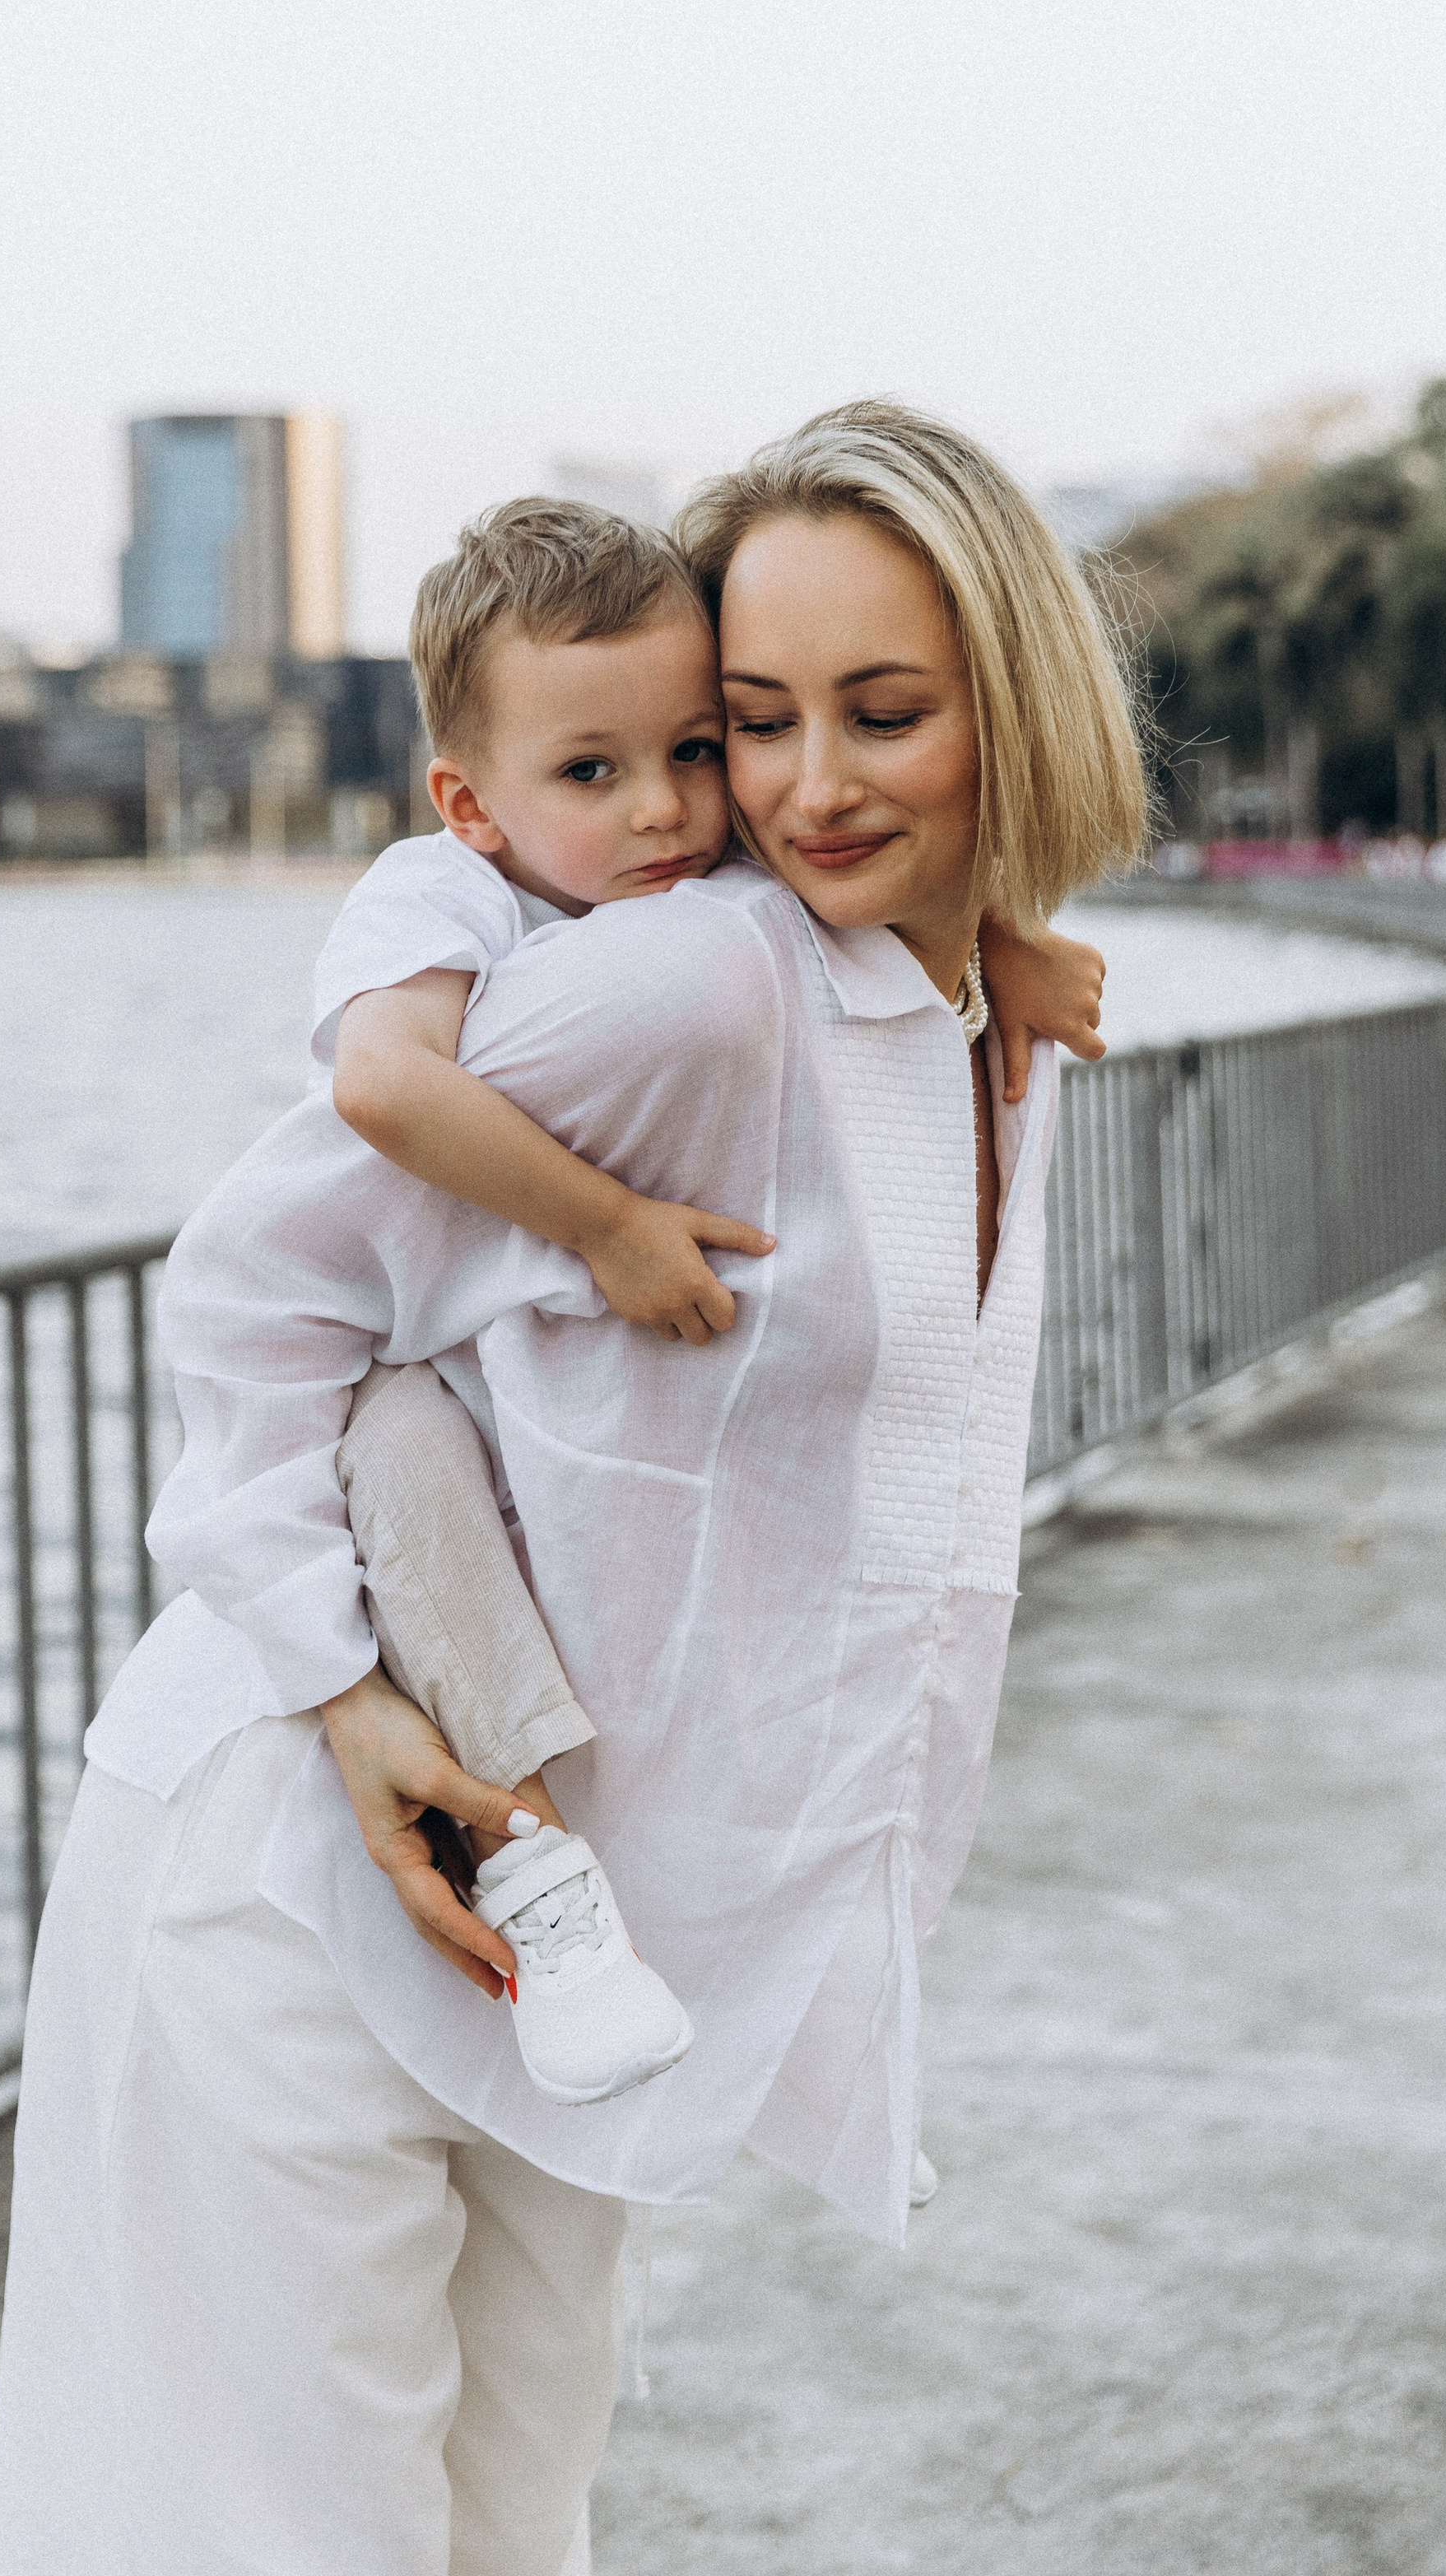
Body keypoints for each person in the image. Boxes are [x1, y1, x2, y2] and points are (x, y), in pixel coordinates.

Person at [0, 403, 1149, 2576]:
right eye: (754, 722)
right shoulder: (698, 980)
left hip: (554, 1924)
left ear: (1019, 704)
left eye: (883, 715)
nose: (797, 791)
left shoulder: (967, 1013)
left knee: (513, 2535)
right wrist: (344, 1692)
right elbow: (257, 1285)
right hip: (315, 1850)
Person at [312, 497, 1107, 2103]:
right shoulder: (479, 915)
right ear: (470, 800)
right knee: (406, 1460)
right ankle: (526, 1852)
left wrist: (994, 938)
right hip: (370, 1507)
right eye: (599, 773)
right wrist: (602, 1229)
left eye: (695, 748)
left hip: (485, 1479)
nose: (684, 808)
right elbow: (347, 1150)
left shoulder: (700, 899)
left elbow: (852, 862)